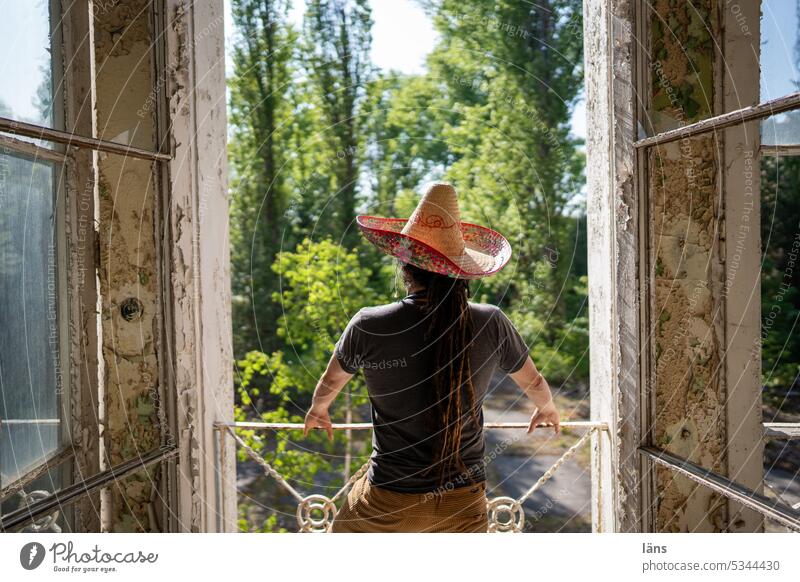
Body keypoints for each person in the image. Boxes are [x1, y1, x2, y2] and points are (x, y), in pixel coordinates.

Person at [303, 182, 560, 533]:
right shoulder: (490, 321)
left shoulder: (369, 323)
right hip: (463, 502)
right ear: (463, 271)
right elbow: (533, 381)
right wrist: (546, 407)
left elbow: (331, 382)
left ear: (405, 267)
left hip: (388, 500)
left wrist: (318, 409)